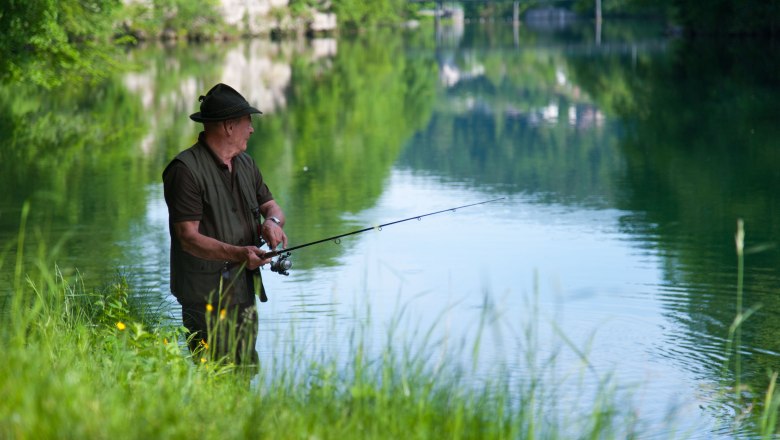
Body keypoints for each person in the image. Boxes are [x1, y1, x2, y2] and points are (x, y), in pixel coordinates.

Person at [163, 83, 288, 366]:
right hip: (204, 295)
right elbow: (187, 237)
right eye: (248, 122)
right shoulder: (185, 171)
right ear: (229, 126)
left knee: (243, 372)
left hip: (243, 292)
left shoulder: (246, 164)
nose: (252, 129)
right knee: (214, 377)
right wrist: (239, 254)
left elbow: (272, 206)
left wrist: (272, 222)